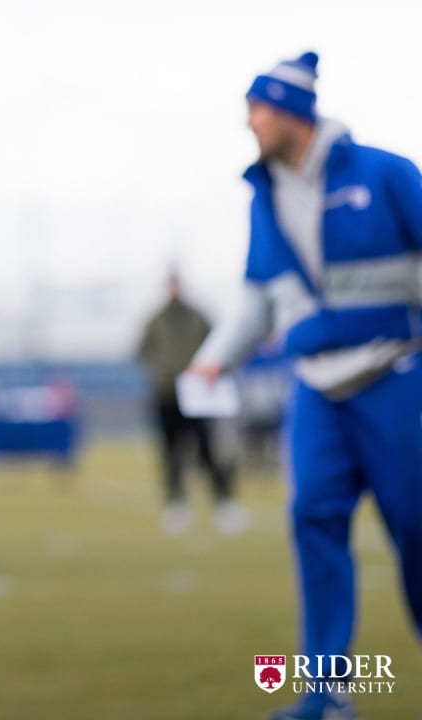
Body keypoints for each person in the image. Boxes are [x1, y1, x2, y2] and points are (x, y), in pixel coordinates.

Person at [189, 51, 422, 720]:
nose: (249, 124)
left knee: (414, 524)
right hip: (316, 389)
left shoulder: (386, 172)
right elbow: (259, 296)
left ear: (291, 111)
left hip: (397, 374)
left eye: (257, 109)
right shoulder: (262, 193)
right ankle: (326, 694)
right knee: (312, 519)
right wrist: (213, 359)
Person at [136, 271, 243, 536]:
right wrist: (162, 370)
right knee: (170, 452)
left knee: (206, 450)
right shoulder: (156, 320)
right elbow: (141, 351)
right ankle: (176, 504)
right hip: (166, 394)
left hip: (195, 395)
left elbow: (217, 344)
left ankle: (223, 502)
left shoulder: (197, 317)